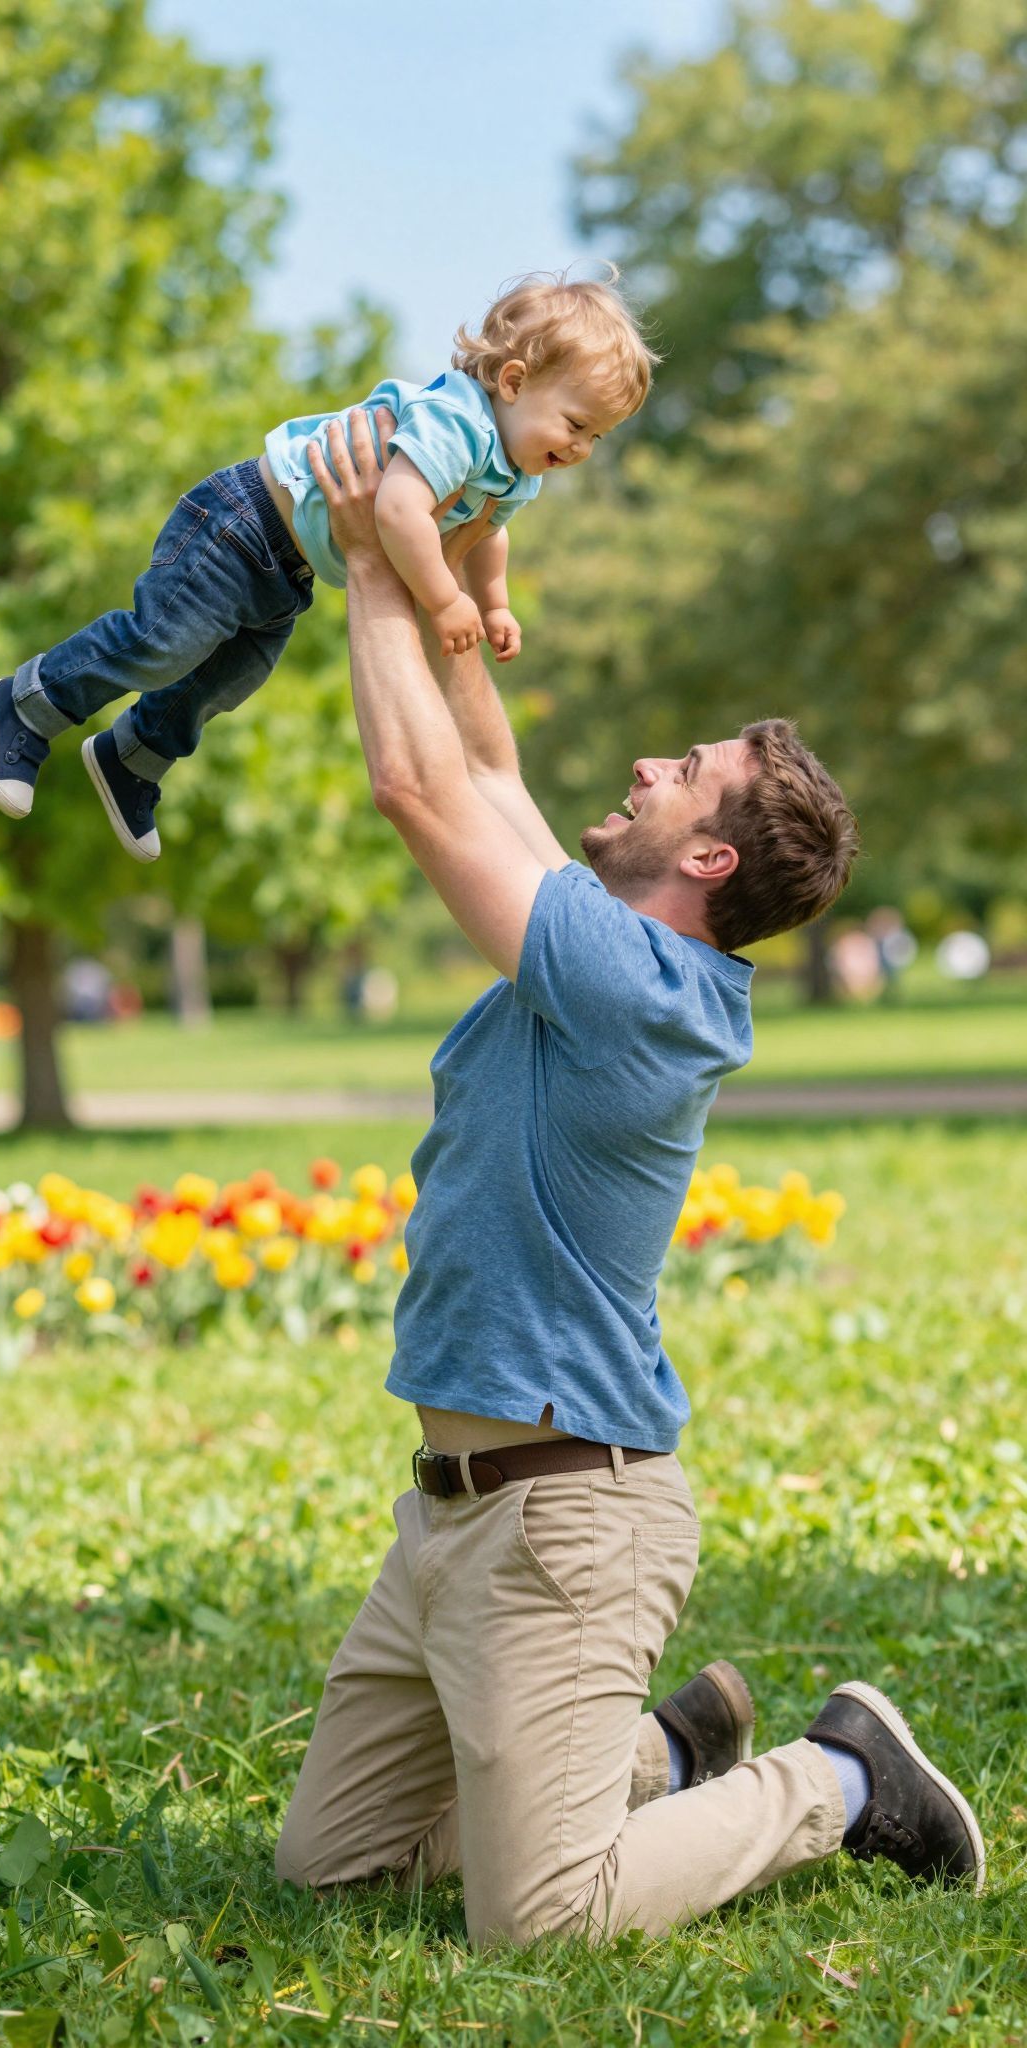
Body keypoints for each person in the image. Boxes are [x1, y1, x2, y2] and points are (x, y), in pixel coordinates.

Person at [273, 410, 985, 1947]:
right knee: (334, 1869)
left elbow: (420, 790)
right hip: (452, 1520)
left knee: (543, 1920)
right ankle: (665, 1756)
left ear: (710, 861)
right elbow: (486, 766)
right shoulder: (611, 943)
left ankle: (841, 1781)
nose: (653, 761)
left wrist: (372, 571)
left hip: (567, 1524)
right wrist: (455, 570)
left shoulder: (636, 986)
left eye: (690, 770)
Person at [0, 275, 652, 862]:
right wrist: (446, 601)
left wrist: (495, 602)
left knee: (232, 677)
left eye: (598, 435)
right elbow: (396, 509)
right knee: (164, 642)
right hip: (242, 522)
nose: (584, 447)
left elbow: (487, 538)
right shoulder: (459, 422)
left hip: (288, 567)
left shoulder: (516, 470)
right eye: (576, 423)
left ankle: (134, 756)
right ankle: (30, 702)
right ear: (513, 382)